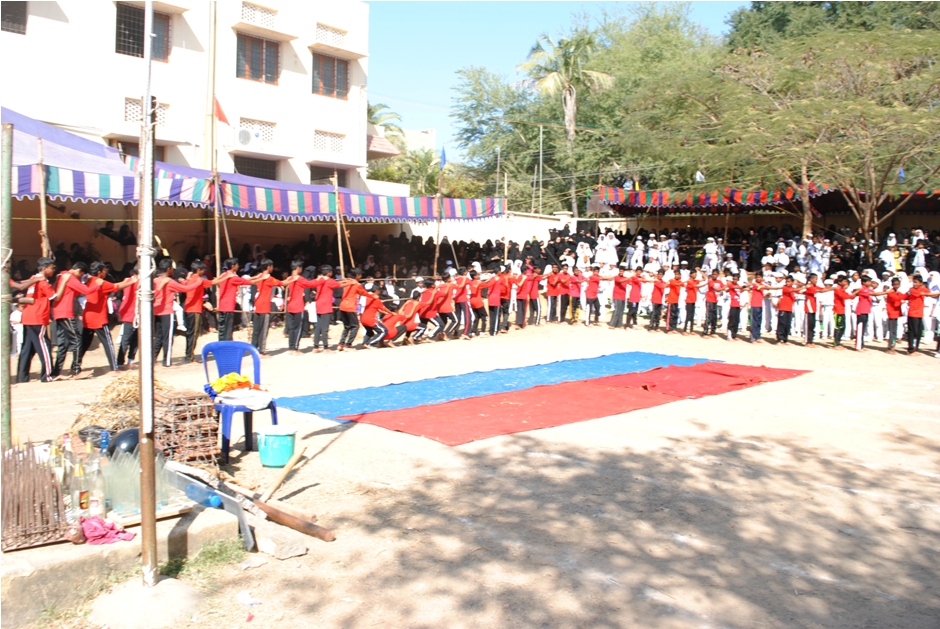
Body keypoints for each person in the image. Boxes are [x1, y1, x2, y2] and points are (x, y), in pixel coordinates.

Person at [78, 262, 134, 373]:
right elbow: (116, 287)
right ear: (99, 272)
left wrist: (124, 281)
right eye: (104, 270)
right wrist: (132, 281)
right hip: (99, 318)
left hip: (88, 316)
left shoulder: (89, 280)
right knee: (108, 343)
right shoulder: (100, 282)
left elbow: (113, 285)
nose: (106, 272)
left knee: (83, 344)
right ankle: (114, 368)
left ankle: (75, 367)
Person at [51, 262, 98, 379]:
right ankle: (76, 370)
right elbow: (86, 291)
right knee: (77, 340)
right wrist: (98, 285)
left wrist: (83, 282)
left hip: (58, 312)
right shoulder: (70, 277)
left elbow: (76, 292)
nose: (79, 277)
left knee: (63, 343)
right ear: (79, 270)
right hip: (65, 312)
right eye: (80, 274)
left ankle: (56, 372)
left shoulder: (62, 275)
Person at [13, 258, 56, 383]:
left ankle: (22, 376)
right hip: (38, 317)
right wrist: (60, 282)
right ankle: (48, 375)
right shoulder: (43, 283)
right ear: (44, 268)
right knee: (44, 346)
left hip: (28, 316)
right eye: (52, 268)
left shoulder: (32, 279)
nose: (54, 270)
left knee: (27, 348)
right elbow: (54, 296)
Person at [215, 258, 253, 342]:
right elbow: (246, 282)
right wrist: (259, 278)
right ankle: (227, 345)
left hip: (222, 305)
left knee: (222, 328)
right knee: (228, 329)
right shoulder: (232, 277)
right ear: (233, 266)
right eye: (237, 265)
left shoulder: (224, 275)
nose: (238, 266)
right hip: (228, 306)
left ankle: (221, 344)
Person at [249, 259, 281, 355]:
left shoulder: (259, 276)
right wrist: (291, 279)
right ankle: (261, 351)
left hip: (257, 305)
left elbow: (248, 280)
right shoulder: (269, 278)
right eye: (271, 266)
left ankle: (253, 349)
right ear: (268, 267)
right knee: (263, 330)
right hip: (264, 306)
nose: (272, 268)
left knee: (256, 329)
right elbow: (281, 283)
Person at [902, 274, 940, 355]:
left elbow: (932, 295)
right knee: (913, 332)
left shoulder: (923, 289)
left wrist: (937, 294)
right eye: (914, 282)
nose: (914, 284)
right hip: (912, 314)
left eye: (916, 282)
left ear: (921, 283)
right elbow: (925, 294)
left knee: (919, 332)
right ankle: (911, 349)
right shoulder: (912, 290)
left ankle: (916, 348)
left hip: (919, 314)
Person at [182, 261, 212, 362]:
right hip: (194, 309)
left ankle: (188, 354)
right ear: (198, 270)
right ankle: (189, 356)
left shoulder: (190, 278)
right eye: (203, 270)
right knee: (194, 333)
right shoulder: (198, 279)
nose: (204, 272)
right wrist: (225, 277)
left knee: (190, 332)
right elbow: (213, 282)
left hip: (188, 308)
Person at [337, 268, 369, 350]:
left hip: (343, 306)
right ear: (357, 275)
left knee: (346, 327)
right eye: (360, 275)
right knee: (355, 326)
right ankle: (348, 345)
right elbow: (364, 293)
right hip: (350, 307)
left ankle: (341, 344)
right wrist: (373, 296)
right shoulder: (357, 284)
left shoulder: (346, 281)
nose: (361, 276)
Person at [116, 267, 139, 368]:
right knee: (127, 339)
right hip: (131, 313)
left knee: (135, 339)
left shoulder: (127, 280)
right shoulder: (137, 282)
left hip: (132, 313)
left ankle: (130, 361)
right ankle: (120, 362)